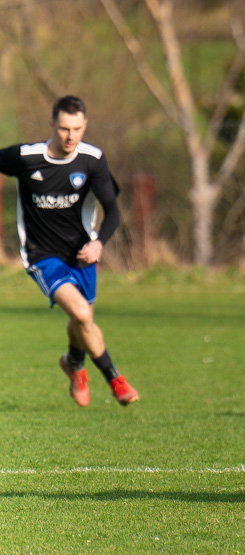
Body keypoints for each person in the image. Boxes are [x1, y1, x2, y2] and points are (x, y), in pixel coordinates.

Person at [0, 95, 139, 408]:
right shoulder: (26, 157)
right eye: (64, 128)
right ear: (52, 125)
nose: (70, 136)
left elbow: (113, 212)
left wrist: (98, 243)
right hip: (41, 255)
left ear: (85, 126)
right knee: (80, 313)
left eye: (77, 128)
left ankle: (74, 362)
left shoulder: (92, 160)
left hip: (82, 255)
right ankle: (115, 379)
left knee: (83, 319)